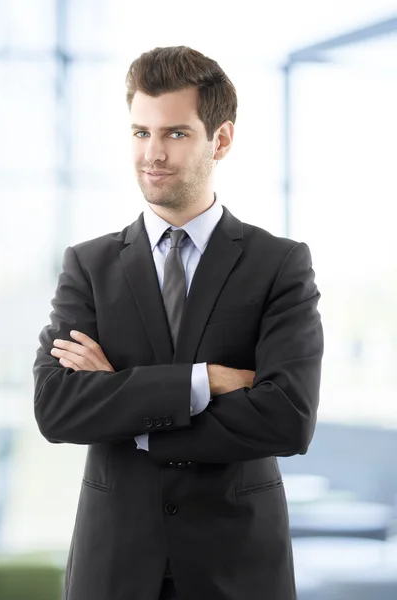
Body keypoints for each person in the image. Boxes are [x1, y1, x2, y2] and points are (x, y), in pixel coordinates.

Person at [33, 45, 323, 600]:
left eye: (175, 134)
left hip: (237, 568)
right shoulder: (88, 266)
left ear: (222, 139)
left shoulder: (278, 264)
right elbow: (57, 408)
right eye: (141, 133)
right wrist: (203, 381)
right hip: (113, 567)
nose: (153, 153)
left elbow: (287, 418)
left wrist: (125, 405)